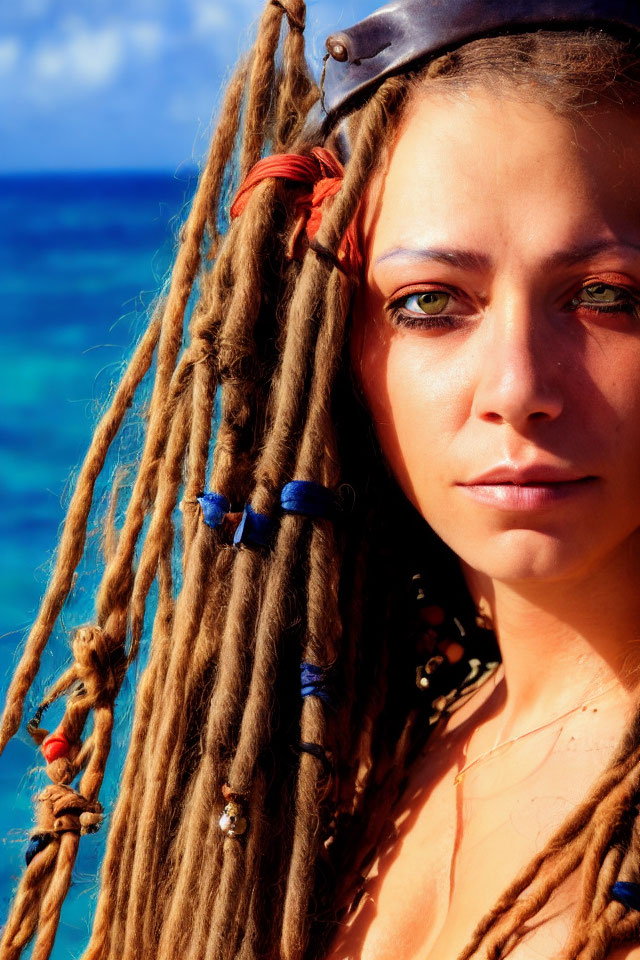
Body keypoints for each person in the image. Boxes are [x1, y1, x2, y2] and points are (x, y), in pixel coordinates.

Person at [3, 0, 640, 957]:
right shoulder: (371, 759)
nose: (518, 389)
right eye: (430, 304)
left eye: (605, 296)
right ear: (336, 350)